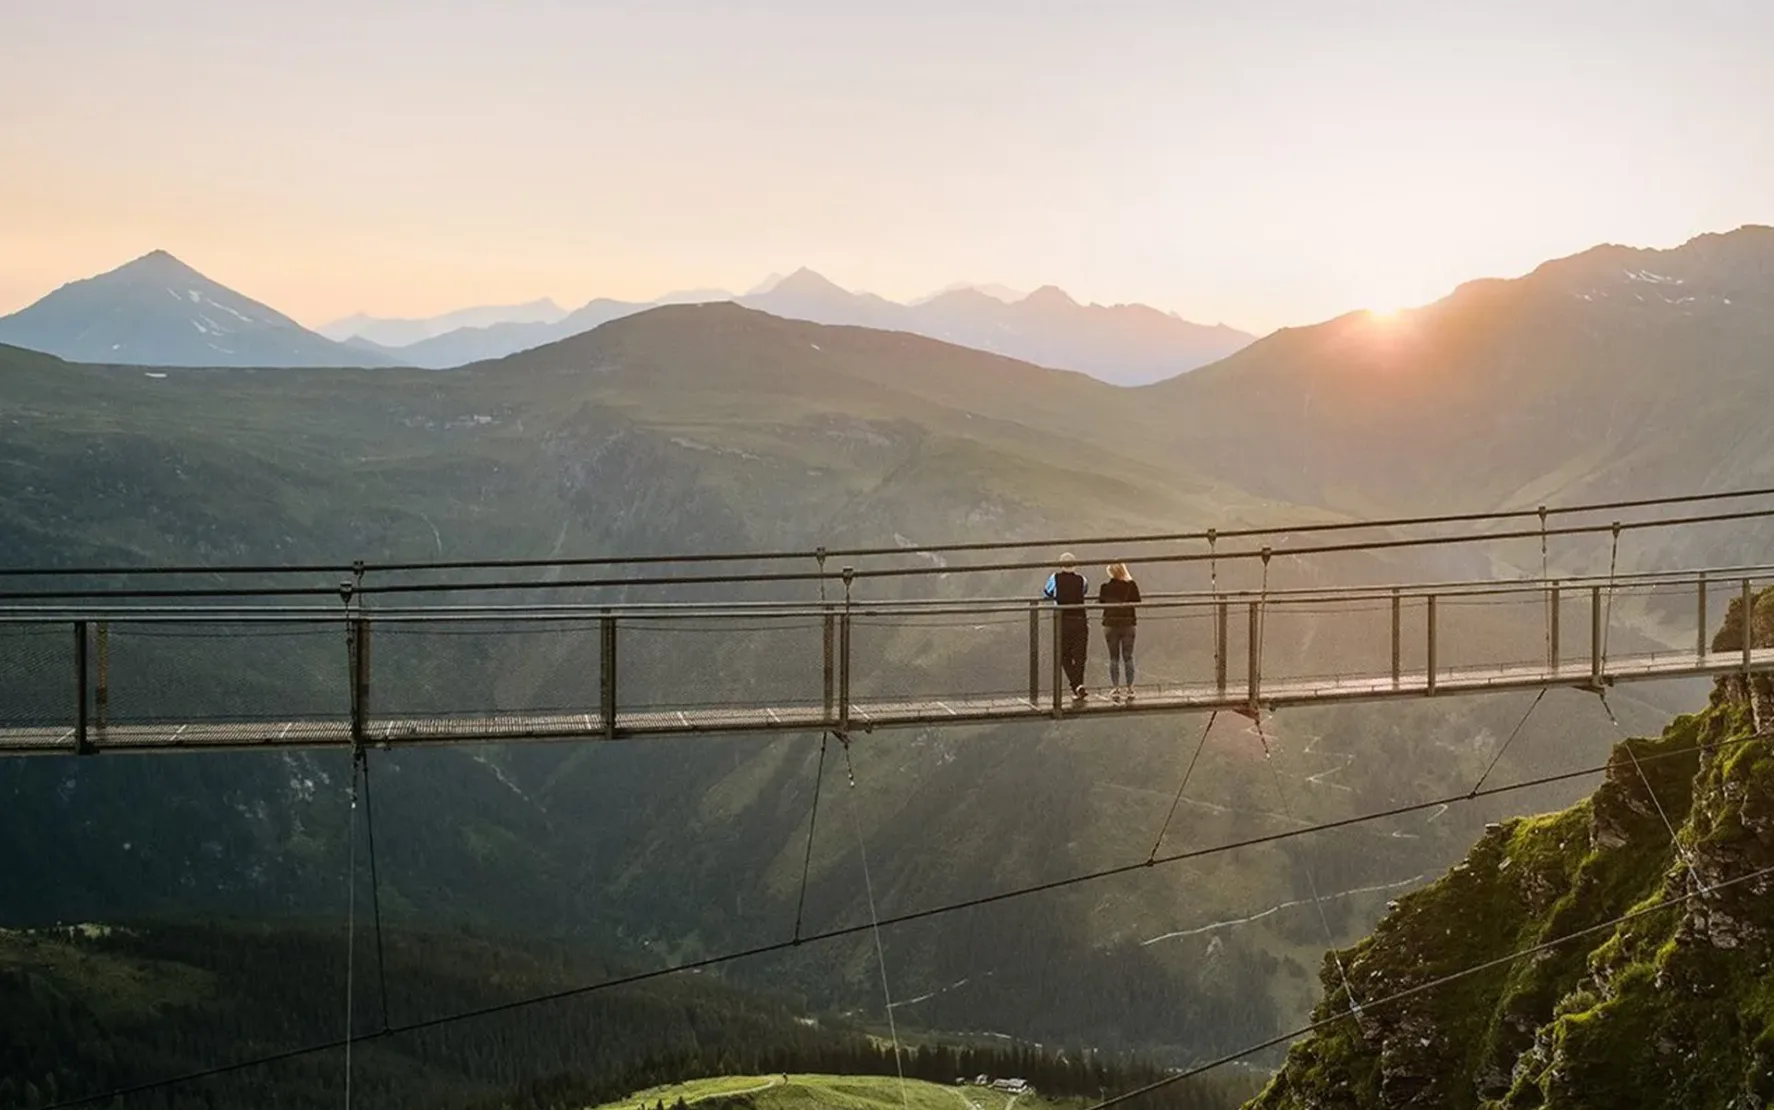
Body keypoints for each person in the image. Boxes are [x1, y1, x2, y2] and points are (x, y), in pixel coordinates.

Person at [1043, 553, 1089, 702]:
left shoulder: (1054, 578)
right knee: (1080, 656)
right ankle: (1078, 686)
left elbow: (1047, 592)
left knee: (1063, 655)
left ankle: (1076, 685)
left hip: (1063, 620)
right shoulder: (1082, 580)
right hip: (1080, 619)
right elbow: (1084, 591)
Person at [1097, 562, 1141, 702]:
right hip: (1128, 623)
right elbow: (1137, 601)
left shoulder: (1105, 587)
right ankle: (1130, 688)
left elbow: (1101, 602)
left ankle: (1116, 688)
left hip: (1110, 624)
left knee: (1113, 657)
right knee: (1128, 657)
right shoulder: (1131, 585)